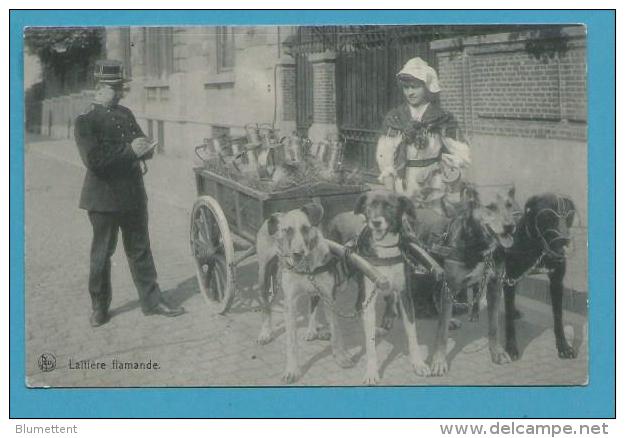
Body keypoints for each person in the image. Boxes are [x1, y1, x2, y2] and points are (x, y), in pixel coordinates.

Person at [74, 60, 184, 327]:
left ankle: (152, 301)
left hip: (133, 195)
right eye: (115, 88)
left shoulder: (125, 113)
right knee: (102, 254)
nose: (120, 93)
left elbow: (141, 141)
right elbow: (94, 160)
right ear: (99, 88)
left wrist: (147, 148)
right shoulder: (86, 120)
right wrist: (130, 151)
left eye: (121, 87)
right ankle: (99, 307)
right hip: (103, 199)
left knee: (140, 250)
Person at [376, 57, 471, 217]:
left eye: (415, 87)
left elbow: (461, 151)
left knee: (436, 223)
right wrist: (389, 190)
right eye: (406, 88)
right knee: (408, 222)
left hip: (435, 180)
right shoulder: (395, 118)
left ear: (426, 88)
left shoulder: (441, 117)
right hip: (406, 182)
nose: (410, 92)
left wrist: (451, 172)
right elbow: (385, 155)